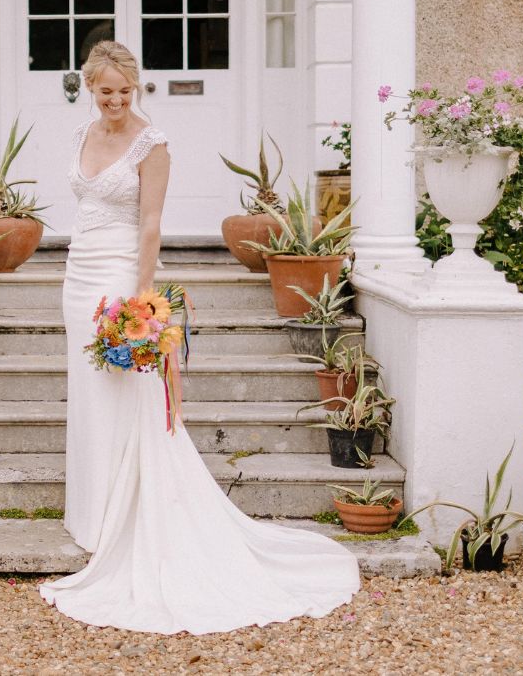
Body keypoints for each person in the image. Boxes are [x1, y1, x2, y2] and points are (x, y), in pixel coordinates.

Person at [38, 40, 360, 633]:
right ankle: (92, 514)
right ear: (89, 86)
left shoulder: (150, 143)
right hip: (77, 273)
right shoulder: (81, 133)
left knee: (129, 390)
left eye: (123, 91)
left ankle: (128, 516)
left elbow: (151, 221)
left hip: (119, 274)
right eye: (104, 91)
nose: (114, 101)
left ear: (135, 87)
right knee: (88, 386)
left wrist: (140, 295)